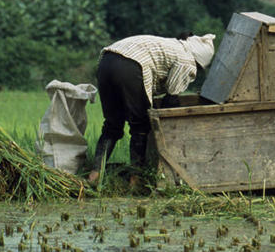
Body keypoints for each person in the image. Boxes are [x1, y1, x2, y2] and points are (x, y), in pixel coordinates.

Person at [87, 32, 216, 184]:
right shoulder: (186, 60)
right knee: (140, 125)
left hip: (106, 62)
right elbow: (171, 99)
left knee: (112, 124)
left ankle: (94, 176)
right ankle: (135, 180)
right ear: (199, 62)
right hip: (130, 66)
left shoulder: (173, 45)